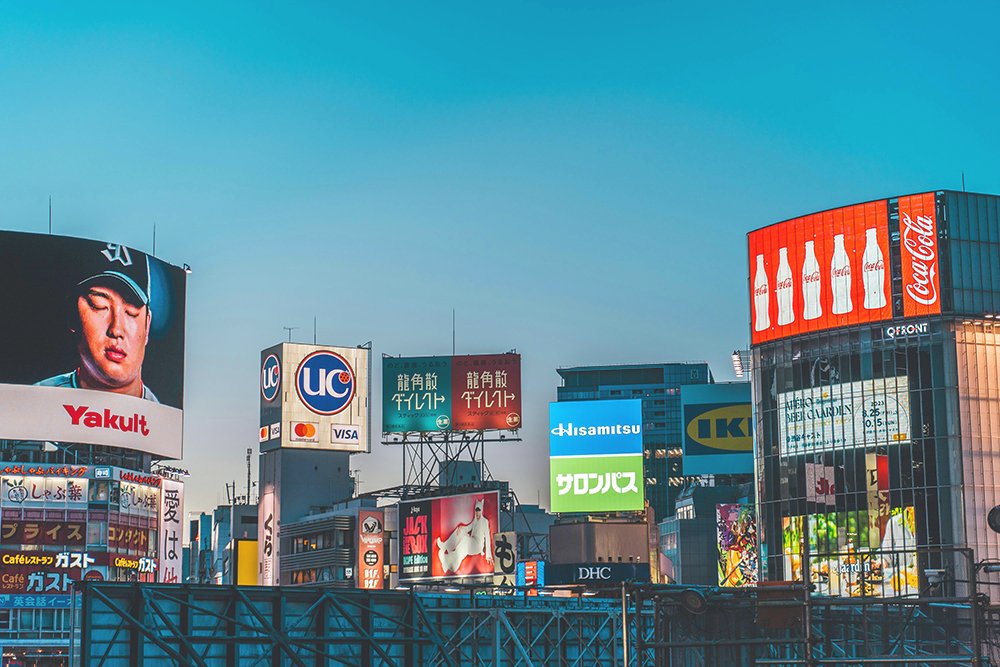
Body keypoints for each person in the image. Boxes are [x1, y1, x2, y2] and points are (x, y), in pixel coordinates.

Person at [37, 243, 158, 402]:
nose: (116, 330)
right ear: (73, 315)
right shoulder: (38, 401)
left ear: (147, 325)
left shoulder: (166, 419)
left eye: (131, 311)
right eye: (99, 305)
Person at [436, 497, 493, 574]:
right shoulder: (475, 520)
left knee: (466, 540)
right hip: (472, 541)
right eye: (476, 510)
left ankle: (452, 564)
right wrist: (461, 528)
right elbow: (468, 528)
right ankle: (446, 546)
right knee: (460, 531)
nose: (477, 513)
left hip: (478, 545)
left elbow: (488, 537)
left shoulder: (484, 521)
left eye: (479, 510)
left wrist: (488, 555)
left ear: (481, 510)